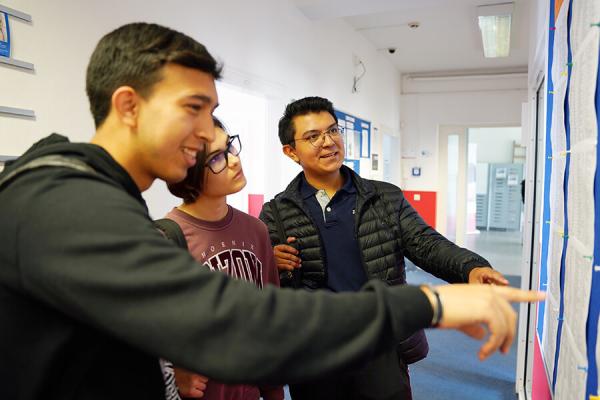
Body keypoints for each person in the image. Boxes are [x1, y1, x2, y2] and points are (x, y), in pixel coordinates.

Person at [0, 22, 543, 400]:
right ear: (127, 105)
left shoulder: (100, 196)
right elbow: (238, 322)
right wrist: (428, 302)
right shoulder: (61, 202)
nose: (210, 135)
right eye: (194, 109)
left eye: (214, 115)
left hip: (371, 356)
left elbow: (424, 244)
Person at [259, 96, 510, 400]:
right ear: (291, 151)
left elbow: (425, 243)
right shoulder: (276, 212)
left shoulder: (383, 198)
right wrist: (270, 262)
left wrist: (471, 267)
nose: (328, 142)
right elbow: (266, 285)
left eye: (333, 131)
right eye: (313, 136)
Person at [163, 117, 283, 400]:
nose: (234, 161)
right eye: (216, 158)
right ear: (187, 171)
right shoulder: (167, 238)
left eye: (230, 147)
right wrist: (172, 374)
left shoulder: (256, 230)